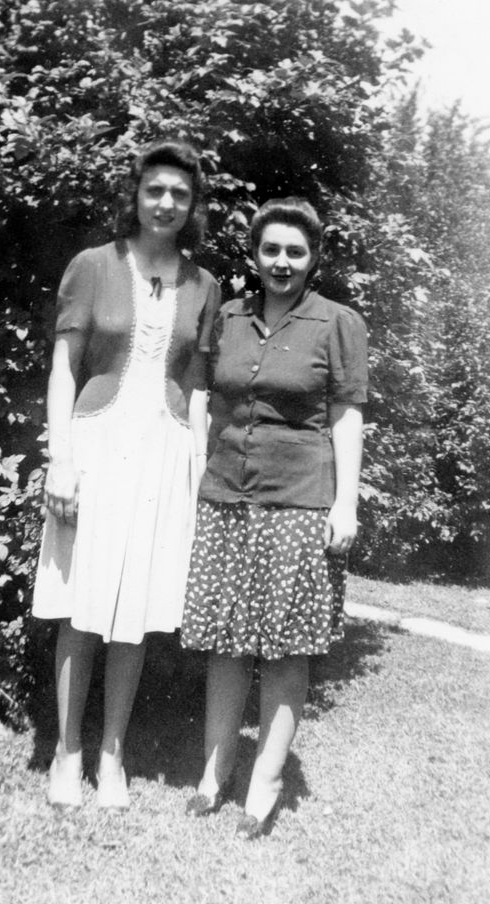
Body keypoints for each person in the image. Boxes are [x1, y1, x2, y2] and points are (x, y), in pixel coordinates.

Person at [33, 138, 220, 810]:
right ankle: (67, 752)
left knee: (134, 609)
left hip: (163, 455)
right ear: (136, 195)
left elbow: (198, 390)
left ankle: (112, 753)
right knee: (82, 603)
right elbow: (64, 369)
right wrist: (60, 458)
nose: (166, 202)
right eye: (155, 189)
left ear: (192, 206)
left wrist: (198, 475)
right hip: (96, 446)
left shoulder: (205, 286)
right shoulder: (93, 265)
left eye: (179, 194)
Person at [181, 197, 368, 839]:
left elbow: (347, 415)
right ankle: (216, 769)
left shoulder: (338, 323)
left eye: (295, 251)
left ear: (314, 258)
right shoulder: (230, 317)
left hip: (299, 499)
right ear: (254, 254)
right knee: (227, 638)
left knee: (285, 643)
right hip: (226, 495)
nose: (282, 262)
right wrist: (196, 467)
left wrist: (345, 502)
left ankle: (265, 779)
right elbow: (205, 397)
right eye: (271, 250)